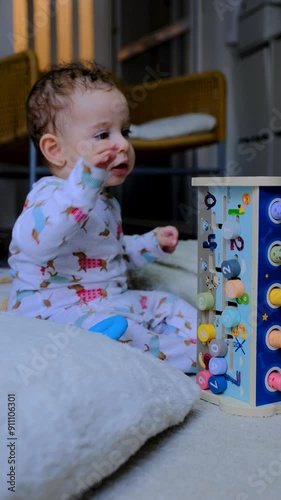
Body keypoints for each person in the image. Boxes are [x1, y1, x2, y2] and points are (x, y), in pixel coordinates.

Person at [7, 61, 197, 372]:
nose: (122, 144)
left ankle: (215, 338)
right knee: (126, 331)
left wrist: (152, 244)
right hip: (55, 314)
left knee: (168, 303)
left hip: (109, 301)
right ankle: (203, 357)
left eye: (125, 131)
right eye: (102, 135)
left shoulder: (107, 203)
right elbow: (35, 244)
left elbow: (115, 255)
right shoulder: (50, 195)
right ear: (55, 150)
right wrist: (86, 181)